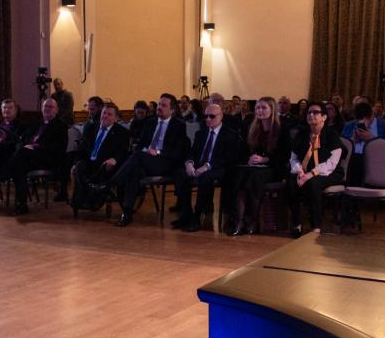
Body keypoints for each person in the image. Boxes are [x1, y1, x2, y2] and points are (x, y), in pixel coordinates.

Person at [111, 93, 187, 227]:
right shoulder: (150, 122)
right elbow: (141, 145)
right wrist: (146, 151)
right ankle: (127, 213)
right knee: (135, 171)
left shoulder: (178, 125)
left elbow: (177, 152)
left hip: (165, 162)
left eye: (164, 105)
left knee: (138, 156)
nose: (159, 107)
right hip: (146, 161)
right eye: (159, 104)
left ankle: (113, 182)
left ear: (172, 110)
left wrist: (157, 152)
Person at [172, 103, 240, 232]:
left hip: (218, 168)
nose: (208, 119)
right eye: (206, 116)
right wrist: (189, 163)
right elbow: (193, 152)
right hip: (199, 166)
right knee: (180, 174)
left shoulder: (230, 134)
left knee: (205, 177)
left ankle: (197, 216)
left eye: (212, 116)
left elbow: (228, 159)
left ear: (221, 116)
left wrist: (207, 166)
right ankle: (186, 214)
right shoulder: (201, 133)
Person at [230, 97, 290, 235]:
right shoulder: (252, 127)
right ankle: (240, 220)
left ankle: (254, 220)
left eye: (263, 108)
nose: (259, 111)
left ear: (272, 110)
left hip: (273, 167)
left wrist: (265, 159)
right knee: (239, 175)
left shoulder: (281, 128)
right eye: (257, 108)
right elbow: (243, 151)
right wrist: (249, 159)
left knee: (255, 178)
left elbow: (285, 155)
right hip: (254, 166)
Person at [0, 98, 67, 215]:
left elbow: (59, 147)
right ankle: (22, 205)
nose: (47, 109)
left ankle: (2, 175)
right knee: (19, 167)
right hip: (28, 158)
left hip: (47, 159)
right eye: (45, 106)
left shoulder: (61, 126)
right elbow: (22, 139)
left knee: (21, 155)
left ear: (56, 110)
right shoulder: (35, 123)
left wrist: (35, 147)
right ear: (41, 108)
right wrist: (25, 147)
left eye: (50, 107)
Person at [287, 102, 344, 237]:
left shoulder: (331, 134)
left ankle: (316, 227)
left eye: (315, 112)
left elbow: (332, 162)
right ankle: (296, 224)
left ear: (324, 117)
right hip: (304, 171)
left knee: (313, 183)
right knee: (291, 182)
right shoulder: (302, 134)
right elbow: (293, 158)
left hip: (330, 173)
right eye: (309, 112)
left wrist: (311, 174)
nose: (311, 115)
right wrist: (299, 171)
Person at [70, 103, 130, 213]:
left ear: (116, 118)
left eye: (109, 114)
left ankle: (94, 199)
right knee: (79, 166)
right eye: (104, 113)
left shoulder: (122, 132)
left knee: (102, 168)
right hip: (89, 162)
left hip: (105, 164)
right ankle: (83, 197)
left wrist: (115, 159)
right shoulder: (91, 128)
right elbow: (81, 149)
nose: (105, 116)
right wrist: (75, 163)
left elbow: (123, 151)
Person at [341, 101, 385, 185]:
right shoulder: (349, 125)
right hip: (353, 161)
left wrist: (372, 139)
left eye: (365, 121)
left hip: (377, 160)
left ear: (371, 116)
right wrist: (352, 140)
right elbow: (341, 148)